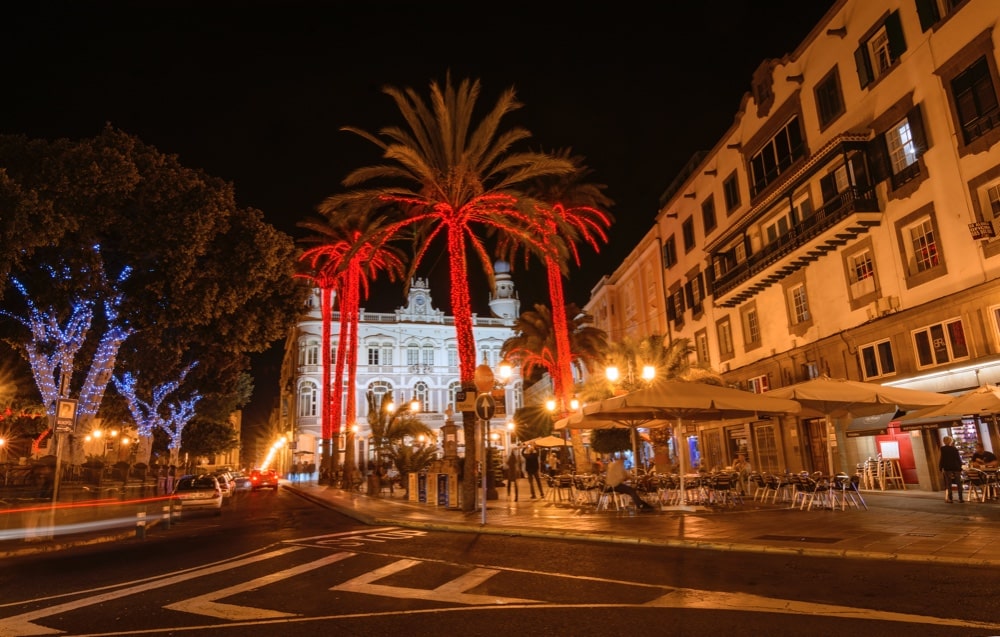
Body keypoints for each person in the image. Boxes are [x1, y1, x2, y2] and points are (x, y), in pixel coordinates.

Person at [938, 436, 964, 503]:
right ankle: (960, 498)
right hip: (956, 467)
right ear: (951, 441)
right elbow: (958, 459)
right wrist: (960, 467)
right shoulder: (954, 449)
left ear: (944, 441)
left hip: (947, 468)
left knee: (948, 483)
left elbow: (942, 459)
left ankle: (950, 498)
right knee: (958, 483)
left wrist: (940, 467)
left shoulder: (942, 449)